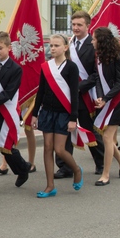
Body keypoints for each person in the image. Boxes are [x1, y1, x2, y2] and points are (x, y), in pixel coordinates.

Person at [31, 34, 83, 198]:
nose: (52, 48)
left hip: (63, 113)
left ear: (65, 48)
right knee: (47, 147)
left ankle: (76, 169)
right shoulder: (46, 66)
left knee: (59, 149)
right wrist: (34, 114)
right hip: (47, 112)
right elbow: (41, 91)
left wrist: (73, 118)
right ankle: (50, 186)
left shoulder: (71, 67)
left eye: (56, 45)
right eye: (51, 45)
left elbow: (74, 94)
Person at [55, 11, 104, 178]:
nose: (75, 28)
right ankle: (65, 166)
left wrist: (79, 87)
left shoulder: (94, 45)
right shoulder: (68, 44)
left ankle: (101, 162)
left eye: (79, 25)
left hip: (85, 95)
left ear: (88, 26)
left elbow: (97, 74)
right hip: (66, 94)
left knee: (89, 129)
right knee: (64, 129)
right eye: (73, 24)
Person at [0, 32, 31, 191]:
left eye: (0, 48)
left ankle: (23, 168)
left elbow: (8, 93)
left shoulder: (15, 69)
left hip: (6, 112)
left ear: (9, 48)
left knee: (6, 147)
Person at [90, 27, 120, 185]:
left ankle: (105, 174)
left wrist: (106, 98)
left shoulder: (118, 56)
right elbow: (98, 79)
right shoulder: (99, 56)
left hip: (118, 100)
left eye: (94, 39)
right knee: (106, 136)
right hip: (106, 100)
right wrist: (100, 96)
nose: (92, 41)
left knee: (106, 136)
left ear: (102, 41)